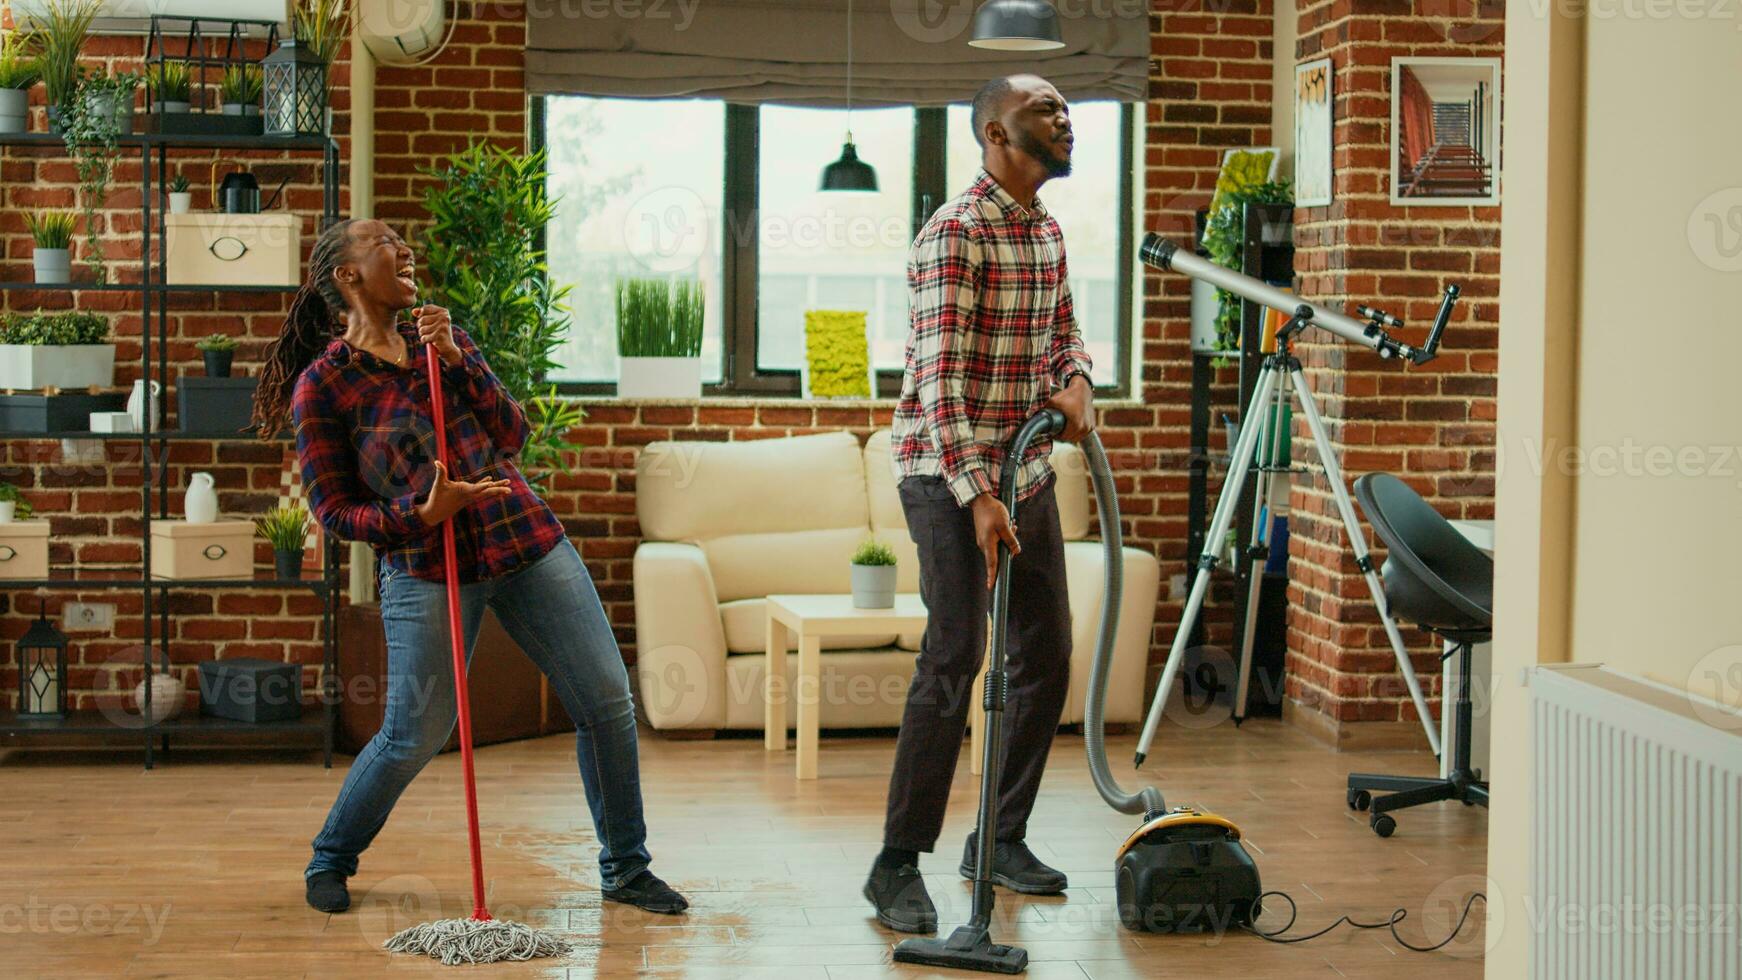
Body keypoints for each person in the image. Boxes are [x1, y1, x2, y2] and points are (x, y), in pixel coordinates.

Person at [251, 218, 688, 917]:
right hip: (426, 565)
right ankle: (330, 858)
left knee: (607, 703)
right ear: (347, 276)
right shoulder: (323, 387)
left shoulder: (442, 345)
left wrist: (459, 358)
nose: (404, 248)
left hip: (526, 540)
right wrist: (420, 515)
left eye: (403, 239)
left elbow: (511, 434)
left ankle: (627, 870)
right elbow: (334, 512)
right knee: (413, 733)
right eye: (384, 240)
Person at [864, 74, 1096, 933]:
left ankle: (998, 837)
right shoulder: (953, 234)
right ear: (997, 134)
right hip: (944, 472)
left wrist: (1075, 380)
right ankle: (895, 864)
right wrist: (976, 494)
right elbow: (936, 382)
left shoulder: (1045, 229)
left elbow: (1065, 328)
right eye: (1046, 109)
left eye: (1067, 108)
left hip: (1024, 471)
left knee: (1048, 652)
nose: (1065, 119)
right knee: (956, 654)